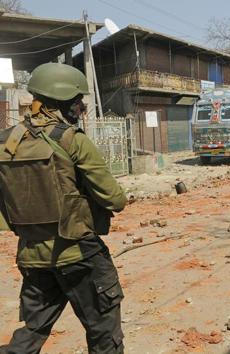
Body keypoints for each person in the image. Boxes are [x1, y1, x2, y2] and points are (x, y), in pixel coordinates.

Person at [0, 63, 127, 353]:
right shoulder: (72, 139)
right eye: (76, 101)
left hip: (32, 255)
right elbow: (114, 199)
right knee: (104, 333)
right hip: (79, 254)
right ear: (60, 101)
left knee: (32, 331)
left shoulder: (5, 142)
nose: (81, 107)